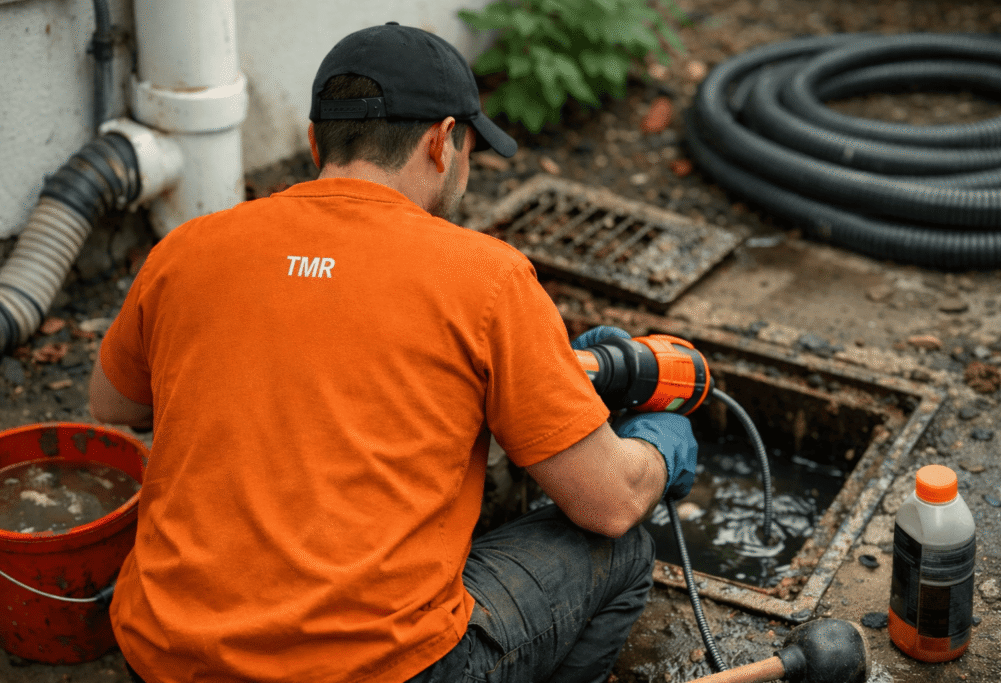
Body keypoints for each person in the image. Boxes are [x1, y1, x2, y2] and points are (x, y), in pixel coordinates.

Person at [89, 21, 698, 683]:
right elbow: (606, 501)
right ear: (443, 142)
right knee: (622, 546)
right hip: (379, 670)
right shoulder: (486, 279)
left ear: (315, 139)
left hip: (163, 656)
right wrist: (661, 445)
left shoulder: (188, 249)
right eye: (467, 146)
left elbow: (113, 403)